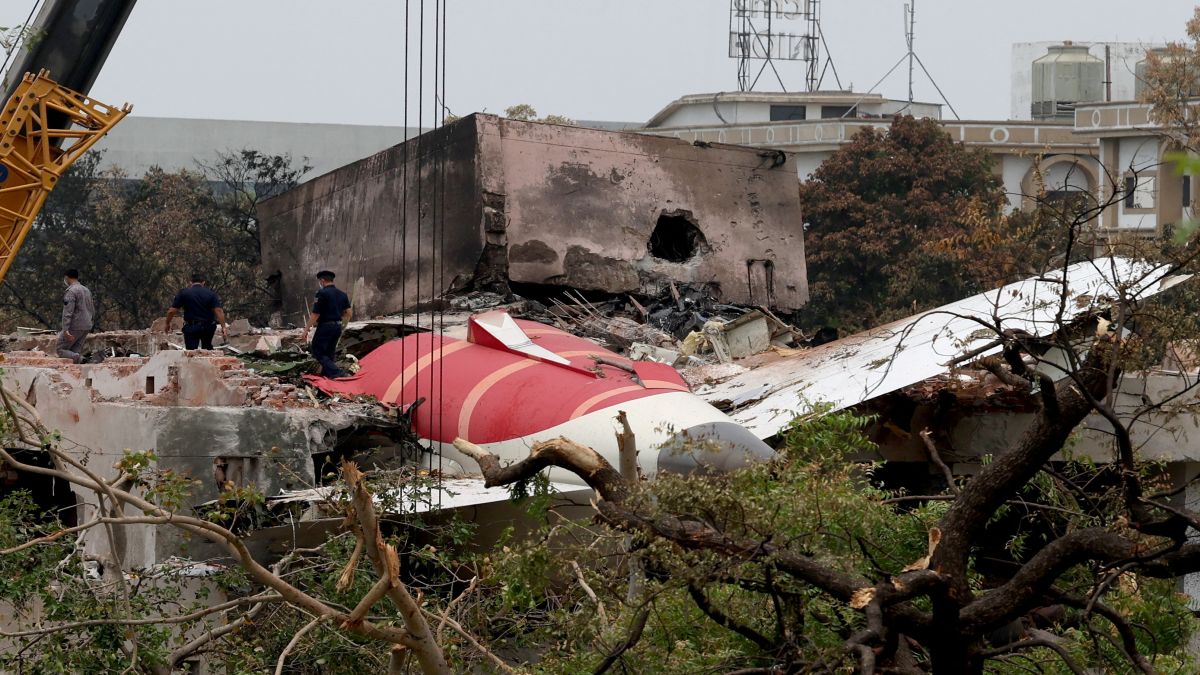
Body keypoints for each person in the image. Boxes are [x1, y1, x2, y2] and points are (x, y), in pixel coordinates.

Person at [303, 270, 352, 378]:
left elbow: (315, 314)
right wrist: (337, 315)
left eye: (320, 281)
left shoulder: (321, 293)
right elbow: (349, 313)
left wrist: (306, 329)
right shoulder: (342, 294)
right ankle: (328, 374)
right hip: (337, 326)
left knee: (317, 350)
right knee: (329, 352)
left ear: (322, 280)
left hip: (325, 326)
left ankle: (337, 373)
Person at [165, 273, 228, 350]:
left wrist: (167, 323)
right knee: (207, 350)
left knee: (191, 352)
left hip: (191, 327)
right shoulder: (211, 294)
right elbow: (218, 311)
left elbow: (171, 311)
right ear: (203, 282)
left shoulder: (184, 293)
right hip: (208, 327)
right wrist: (223, 327)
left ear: (190, 282)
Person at [57, 268, 94, 364]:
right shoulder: (86, 290)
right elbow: (92, 309)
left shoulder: (71, 291)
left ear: (66, 277)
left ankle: (83, 360)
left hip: (75, 325)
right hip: (87, 325)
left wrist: (65, 330)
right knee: (74, 351)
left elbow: (68, 312)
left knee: (60, 349)